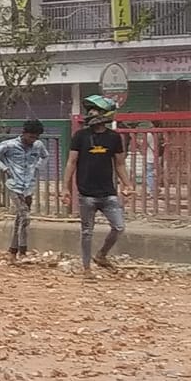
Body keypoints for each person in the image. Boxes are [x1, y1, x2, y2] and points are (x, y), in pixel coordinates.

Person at [63, 95, 128, 274]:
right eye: (90, 110)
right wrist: (65, 188)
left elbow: (120, 164)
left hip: (108, 193)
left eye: (96, 110)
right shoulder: (80, 136)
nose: (91, 113)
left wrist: (127, 184)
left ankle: (101, 255)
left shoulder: (114, 138)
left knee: (119, 227)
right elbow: (71, 162)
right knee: (87, 232)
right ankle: (86, 268)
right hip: (86, 193)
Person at [0, 120, 49, 264]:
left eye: (35, 137)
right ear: (24, 133)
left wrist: (37, 167)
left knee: (20, 219)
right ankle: (21, 249)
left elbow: (45, 156)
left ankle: (14, 251)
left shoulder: (38, 145)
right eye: (31, 137)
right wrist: (4, 168)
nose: (33, 140)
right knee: (25, 216)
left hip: (29, 186)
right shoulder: (10, 145)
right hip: (14, 185)